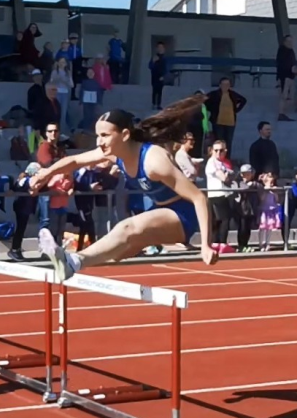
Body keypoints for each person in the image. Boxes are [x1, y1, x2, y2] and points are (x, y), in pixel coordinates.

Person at [30, 96, 217, 280]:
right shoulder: (114, 153)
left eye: (105, 136)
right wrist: (46, 173)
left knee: (127, 227)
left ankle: (72, 261)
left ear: (125, 135)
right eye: (98, 136)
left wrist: (205, 244)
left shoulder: (154, 161)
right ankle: (74, 264)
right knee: (120, 252)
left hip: (184, 214)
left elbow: (199, 198)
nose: (99, 142)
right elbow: (75, 160)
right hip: (159, 210)